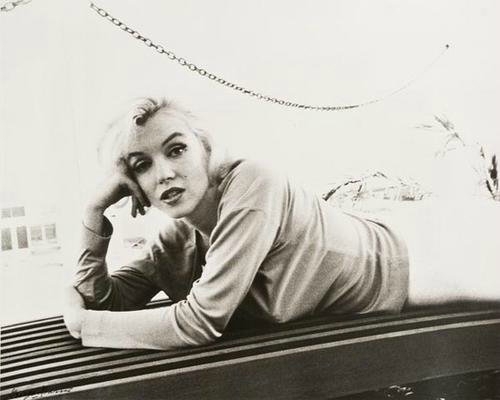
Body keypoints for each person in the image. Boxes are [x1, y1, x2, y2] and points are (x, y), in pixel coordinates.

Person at [63, 97, 499, 350]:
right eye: (141, 165)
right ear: (133, 185)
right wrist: (92, 213)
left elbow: (198, 322)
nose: (164, 174)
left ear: (205, 149)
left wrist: (85, 327)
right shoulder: (176, 239)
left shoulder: (252, 184)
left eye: (176, 150)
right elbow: (106, 302)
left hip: (419, 262)